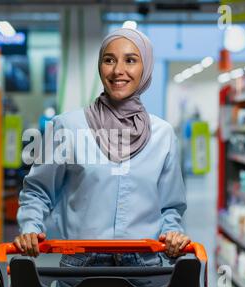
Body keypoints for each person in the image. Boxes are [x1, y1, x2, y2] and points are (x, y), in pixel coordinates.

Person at [14, 28, 190, 270]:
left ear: (146, 67)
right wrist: (31, 228)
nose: (118, 70)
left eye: (131, 60)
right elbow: (37, 191)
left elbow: (171, 206)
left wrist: (172, 233)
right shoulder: (66, 127)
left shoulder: (163, 134)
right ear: (100, 66)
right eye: (109, 60)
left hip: (145, 269)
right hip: (80, 269)